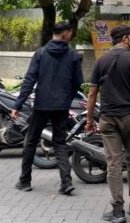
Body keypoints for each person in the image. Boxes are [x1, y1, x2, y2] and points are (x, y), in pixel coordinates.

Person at [86, 25, 130, 223]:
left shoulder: (101, 61)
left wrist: (90, 120)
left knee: (113, 164)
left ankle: (117, 210)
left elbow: (92, 93)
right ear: (125, 38)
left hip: (108, 118)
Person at [12, 21, 83, 195]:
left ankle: (25, 181)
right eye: (71, 33)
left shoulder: (40, 53)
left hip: (42, 105)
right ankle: (66, 183)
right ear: (65, 34)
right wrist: (67, 99)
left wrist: (17, 105)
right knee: (60, 143)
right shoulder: (72, 56)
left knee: (31, 142)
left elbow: (29, 80)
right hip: (61, 107)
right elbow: (78, 82)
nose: (71, 35)